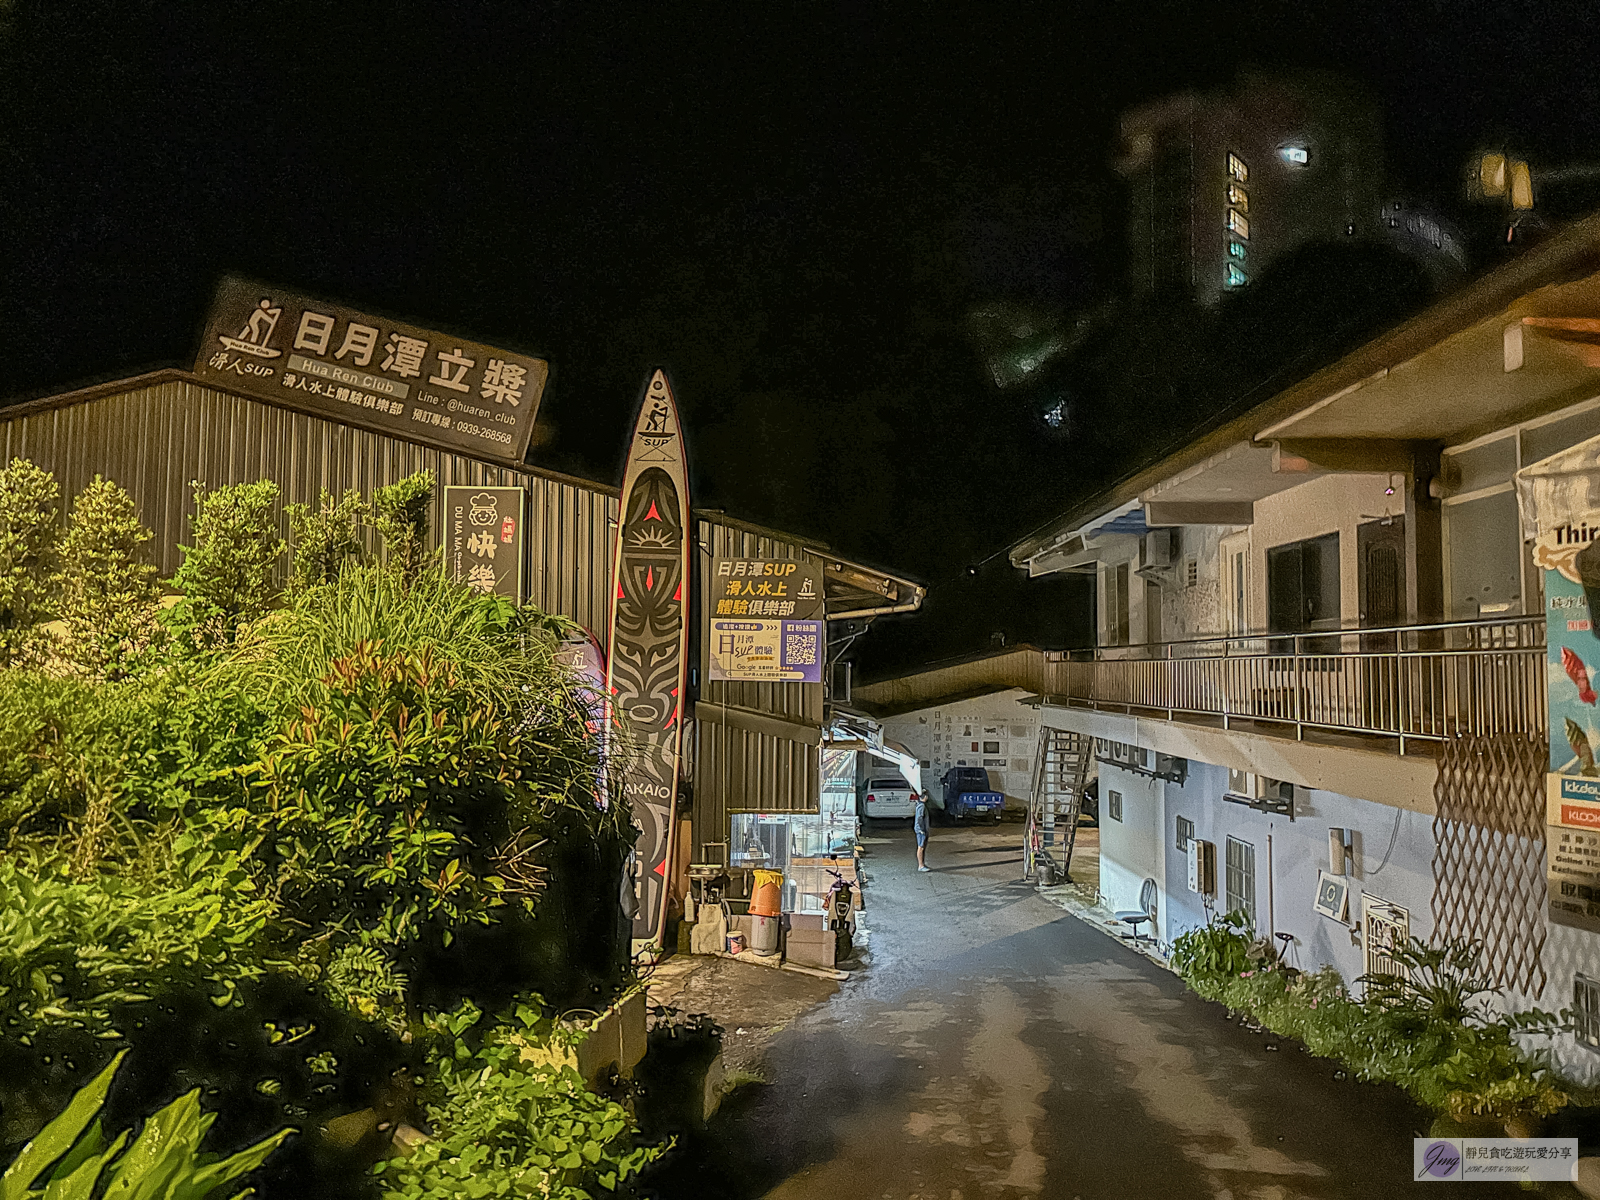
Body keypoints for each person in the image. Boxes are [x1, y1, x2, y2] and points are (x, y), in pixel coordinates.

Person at [914, 789, 932, 872]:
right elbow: (920, 818)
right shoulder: (922, 806)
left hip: (920, 829)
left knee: (921, 847)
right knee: (921, 847)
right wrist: (921, 829)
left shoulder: (919, 804)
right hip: (921, 830)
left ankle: (922, 864)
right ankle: (921, 865)